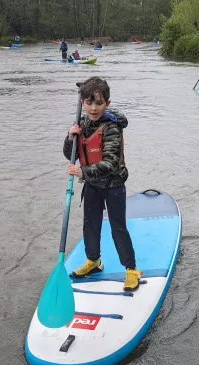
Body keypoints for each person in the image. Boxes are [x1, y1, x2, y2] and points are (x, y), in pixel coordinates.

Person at [63, 77, 141, 291]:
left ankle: (131, 269)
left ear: (107, 103)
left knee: (118, 227)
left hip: (112, 185)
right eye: (89, 103)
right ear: (83, 102)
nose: (93, 108)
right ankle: (93, 261)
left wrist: (82, 171)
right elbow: (68, 153)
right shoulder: (82, 123)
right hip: (92, 185)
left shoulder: (112, 127)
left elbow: (111, 163)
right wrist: (70, 138)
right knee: (90, 224)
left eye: (98, 103)